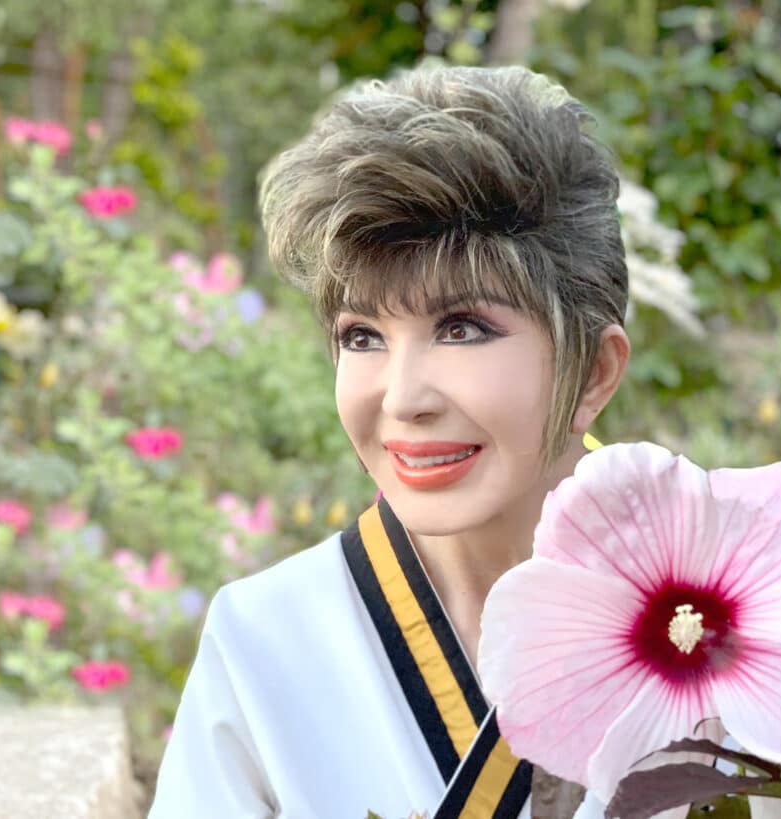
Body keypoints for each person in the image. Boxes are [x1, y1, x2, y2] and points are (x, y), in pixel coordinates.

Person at [148, 64, 630, 819]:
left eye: (462, 327)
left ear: (595, 372)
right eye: (363, 335)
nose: (401, 399)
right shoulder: (264, 639)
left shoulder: (741, 622)